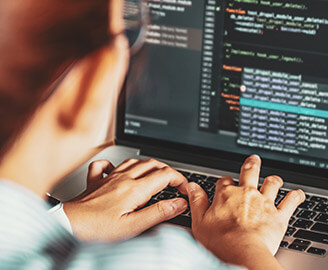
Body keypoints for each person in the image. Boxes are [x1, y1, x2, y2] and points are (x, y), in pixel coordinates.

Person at [0, 1, 306, 269]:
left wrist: (69, 220)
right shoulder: (163, 261)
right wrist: (246, 245)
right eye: (130, 35)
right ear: (85, 89)